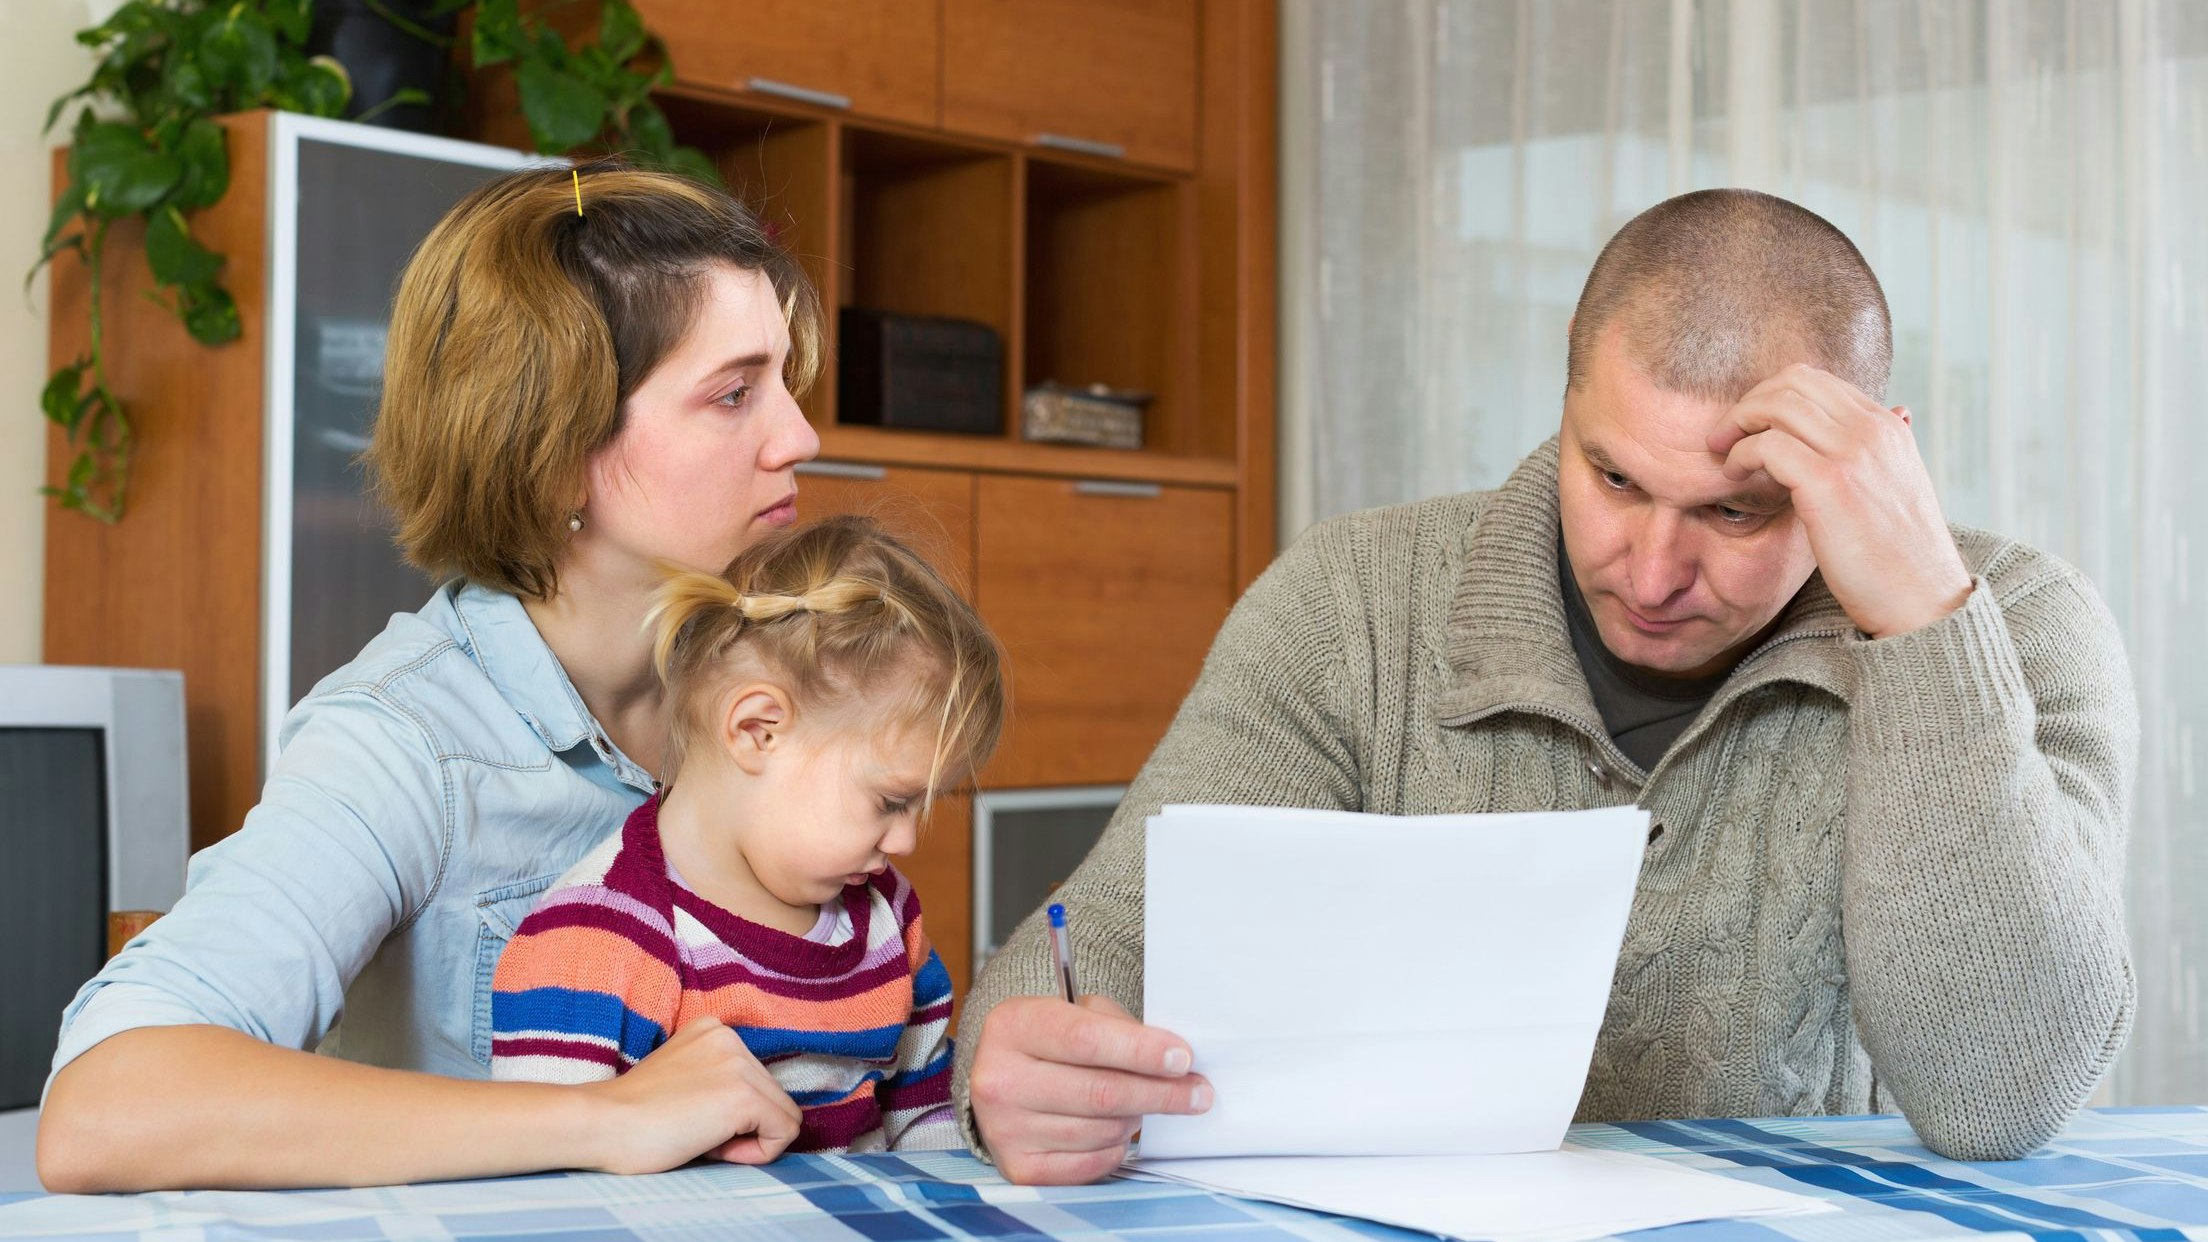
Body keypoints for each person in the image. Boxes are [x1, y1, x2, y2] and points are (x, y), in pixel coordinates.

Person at [954, 188, 2139, 1184]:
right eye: (1615, 478)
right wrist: (1019, 1068)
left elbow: (2003, 1098)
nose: (1657, 571)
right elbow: (1086, 953)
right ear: (1566, 407)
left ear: (1871, 456)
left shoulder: (2022, 629)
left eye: (1737, 509)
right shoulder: (1354, 600)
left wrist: (1927, 622)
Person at [37, 160, 836, 1191]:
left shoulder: (787, 682)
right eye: (734, 393)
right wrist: (595, 1120)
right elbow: (106, 1105)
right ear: (554, 453)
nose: (799, 435)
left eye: (783, 379)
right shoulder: (404, 740)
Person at [487, 515, 1006, 1156]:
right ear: (758, 730)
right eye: (890, 801)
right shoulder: (596, 942)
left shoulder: (887, 917)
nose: (903, 841)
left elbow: (926, 1116)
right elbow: (550, 1161)